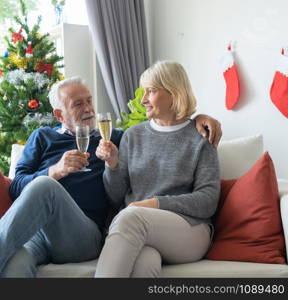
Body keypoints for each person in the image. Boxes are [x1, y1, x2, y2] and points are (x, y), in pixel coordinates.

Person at [0, 76, 221, 278]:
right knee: (14, 262)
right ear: (60, 114)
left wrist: (197, 118)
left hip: (83, 235)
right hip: (37, 235)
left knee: (45, 186)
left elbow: (160, 127)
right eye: (78, 104)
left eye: (89, 100)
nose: (88, 108)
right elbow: (16, 188)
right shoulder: (42, 138)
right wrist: (54, 170)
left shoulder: (113, 138)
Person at [94, 61, 221, 277]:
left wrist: (156, 203)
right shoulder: (133, 136)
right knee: (145, 262)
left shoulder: (200, 137)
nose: (143, 100)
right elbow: (116, 197)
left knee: (131, 217)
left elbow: (208, 201)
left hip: (190, 230)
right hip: (142, 229)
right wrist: (112, 164)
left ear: (174, 93)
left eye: (150, 92)